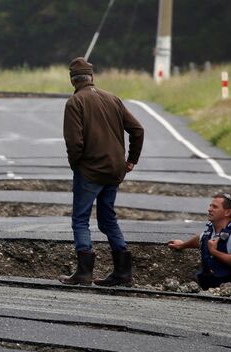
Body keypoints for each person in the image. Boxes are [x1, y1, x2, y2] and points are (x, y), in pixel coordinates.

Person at [59, 57, 145, 287]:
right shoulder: (112, 99)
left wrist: (76, 164)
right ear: (92, 77)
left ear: (72, 80)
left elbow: (74, 142)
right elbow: (137, 129)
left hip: (90, 171)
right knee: (108, 219)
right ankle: (123, 272)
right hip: (114, 171)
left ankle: (84, 272)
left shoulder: (75, 103)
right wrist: (130, 161)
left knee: (80, 220)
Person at [167, 193, 231, 289]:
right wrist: (182, 245)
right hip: (211, 288)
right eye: (210, 206)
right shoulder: (211, 230)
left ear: (227, 212)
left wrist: (214, 252)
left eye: (215, 207)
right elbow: (200, 239)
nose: (209, 209)